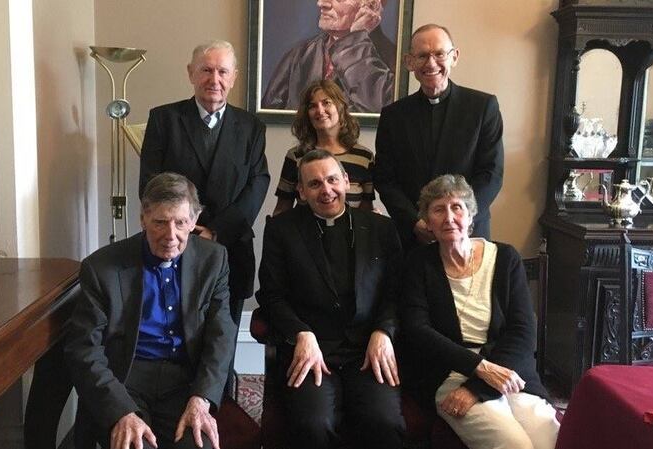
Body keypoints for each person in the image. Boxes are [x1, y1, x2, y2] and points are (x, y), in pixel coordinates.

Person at [64, 173, 237, 449]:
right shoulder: (101, 268)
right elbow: (84, 348)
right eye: (159, 222)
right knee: (133, 445)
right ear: (143, 219)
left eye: (180, 222)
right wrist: (121, 411)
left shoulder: (214, 260)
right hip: (124, 378)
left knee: (198, 444)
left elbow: (221, 334)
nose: (171, 235)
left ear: (194, 221)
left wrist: (201, 398)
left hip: (185, 379)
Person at [256, 150, 406, 449]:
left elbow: (397, 291)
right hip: (311, 350)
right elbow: (271, 295)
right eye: (314, 184)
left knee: (385, 422)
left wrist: (383, 331)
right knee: (313, 425)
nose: (326, 190)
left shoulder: (381, 228)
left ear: (347, 181)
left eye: (332, 180)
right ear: (300, 191)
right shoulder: (281, 230)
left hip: (366, 349)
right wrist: (301, 333)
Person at [401, 174, 559, 449]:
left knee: (551, 440)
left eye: (456, 207)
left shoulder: (506, 258)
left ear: (471, 215)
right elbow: (418, 331)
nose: (449, 217)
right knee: (515, 446)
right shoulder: (417, 265)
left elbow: (522, 331)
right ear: (427, 222)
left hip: (508, 367)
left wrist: (478, 387)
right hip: (449, 373)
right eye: (438, 210)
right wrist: (479, 370)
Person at [139, 40, 269, 327]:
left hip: (231, 246)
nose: (215, 80)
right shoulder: (163, 120)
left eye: (223, 72)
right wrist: (187, 227)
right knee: (175, 330)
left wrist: (217, 230)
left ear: (234, 76)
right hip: (175, 242)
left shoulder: (251, 127)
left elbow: (257, 183)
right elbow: (150, 183)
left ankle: (224, 375)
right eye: (206, 70)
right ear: (190, 73)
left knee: (225, 329)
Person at [375, 23, 504, 249]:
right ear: (409, 62)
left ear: (454, 57)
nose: (431, 63)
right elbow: (386, 179)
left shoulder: (483, 107)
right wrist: (415, 222)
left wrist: (459, 219)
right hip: (413, 236)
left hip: (468, 232)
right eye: (422, 56)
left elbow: (491, 173)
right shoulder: (393, 116)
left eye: (439, 54)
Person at [261, 0, 395, 113]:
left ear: (372, 4)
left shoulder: (393, 59)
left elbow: (376, 109)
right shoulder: (299, 55)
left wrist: (355, 40)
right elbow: (270, 113)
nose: (321, 3)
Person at [273, 80, 375, 216]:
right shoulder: (296, 156)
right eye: (312, 106)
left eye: (326, 103)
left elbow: (366, 211)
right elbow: (282, 209)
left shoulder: (364, 157)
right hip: (304, 235)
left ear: (340, 107)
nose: (320, 111)